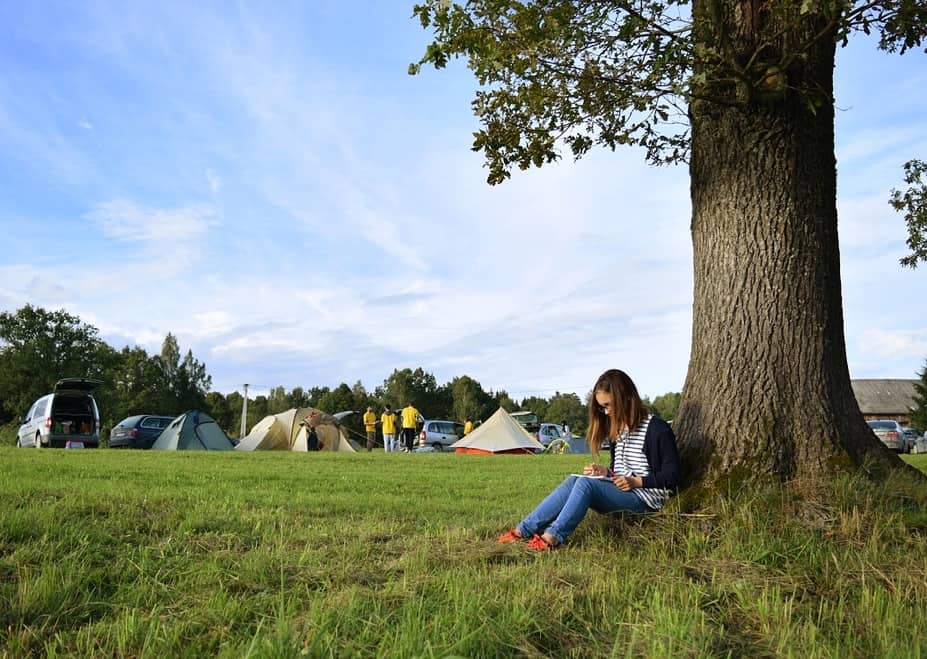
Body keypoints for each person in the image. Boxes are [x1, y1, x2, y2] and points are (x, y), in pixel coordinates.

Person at [497, 368, 680, 551]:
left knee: (586, 484)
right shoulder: (618, 430)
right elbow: (622, 472)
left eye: (608, 405)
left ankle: (552, 538)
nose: (606, 412)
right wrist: (606, 472)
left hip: (645, 501)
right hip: (625, 492)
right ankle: (522, 531)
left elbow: (673, 476)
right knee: (574, 479)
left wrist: (636, 481)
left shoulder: (656, 429)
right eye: (602, 407)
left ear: (625, 398)